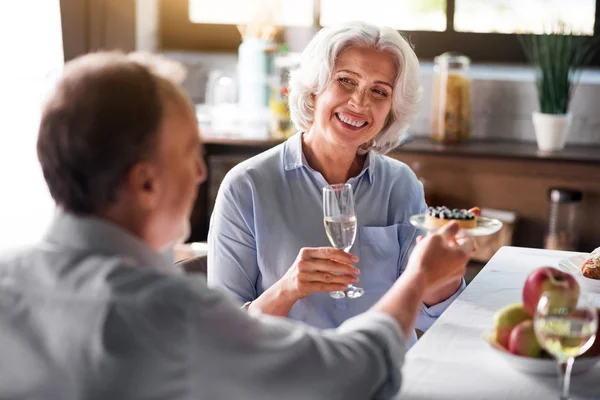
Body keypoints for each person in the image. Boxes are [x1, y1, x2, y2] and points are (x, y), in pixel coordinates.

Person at [0, 51, 473, 400]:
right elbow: (355, 373)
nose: (201, 173)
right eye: (190, 154)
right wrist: (415, 280)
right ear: (145, 182)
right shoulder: (173, 312)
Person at [208, 21, 471, 344]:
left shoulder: (400, 184)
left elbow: (431, 317)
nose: (360, 102)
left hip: (382, 374)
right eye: (346, 81)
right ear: (315, 88)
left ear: (391, 111)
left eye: (379, 91)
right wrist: (289, 288)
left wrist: (444, 272)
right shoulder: (246, 186)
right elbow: (221, 335)